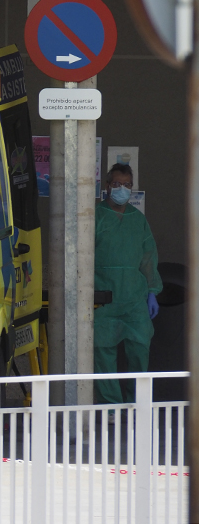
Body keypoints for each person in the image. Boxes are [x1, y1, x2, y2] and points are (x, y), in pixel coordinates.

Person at [93, 162, 162, 405]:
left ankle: (138, 405)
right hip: (103, 298)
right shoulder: (95, 217)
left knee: (140, 350)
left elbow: (148, 257)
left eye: (127, 185)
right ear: (107, 186)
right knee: (103, 352)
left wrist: (152, 291)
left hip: (134, 299)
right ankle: (110, 408)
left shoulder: (137, 219)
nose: (122, 189)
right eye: (117, 184)